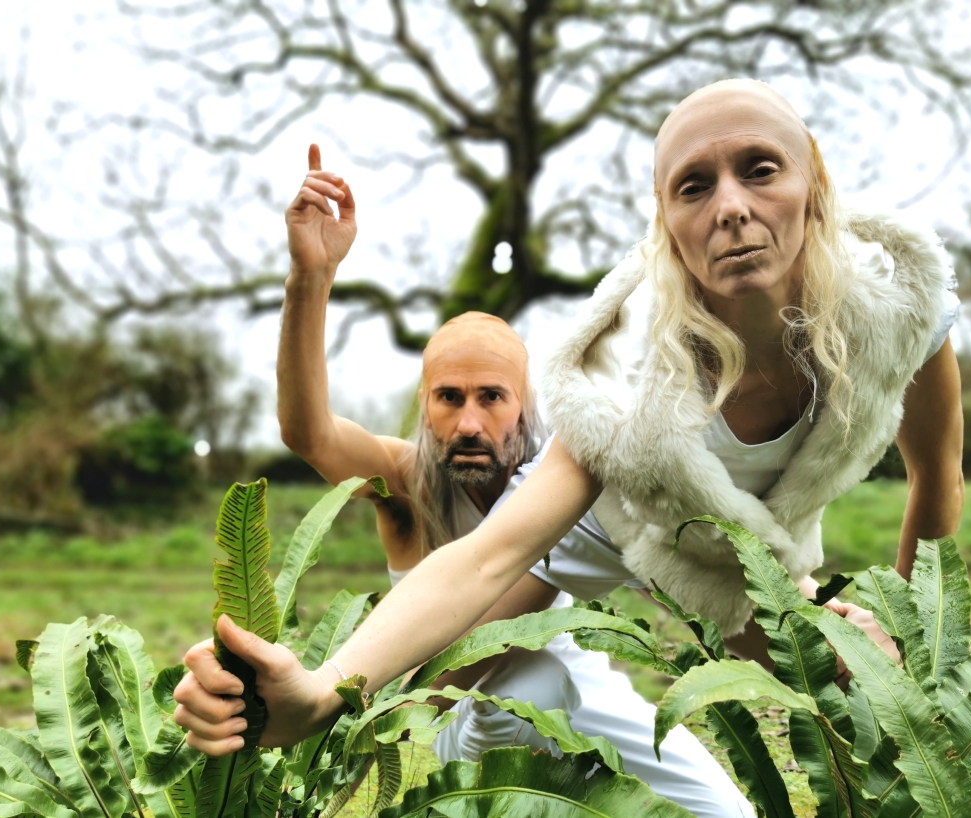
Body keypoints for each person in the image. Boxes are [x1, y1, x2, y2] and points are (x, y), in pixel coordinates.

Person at [174, 78, 963, 781]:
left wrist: (904, 648)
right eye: (693, 187)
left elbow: (937, 477)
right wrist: (319, 692)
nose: (731, 207)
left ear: (813, 184)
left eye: (760, 168)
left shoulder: (898, 305)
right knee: (449, 690)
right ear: (668, 228)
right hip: (600, 527)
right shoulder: (618, 389)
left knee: (849, 688)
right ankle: (449, 751)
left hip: (736, 550)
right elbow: (486, 556)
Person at [260, 141, 751, 816]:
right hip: (469, 716)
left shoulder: (563, 483)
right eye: (449, 398)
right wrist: (309, 278)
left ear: (523, 406)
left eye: (491, 397)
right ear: (425, 406)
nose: (468, 422)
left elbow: (677, 560)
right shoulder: (404, 484)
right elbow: (307, 433)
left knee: (724, 812)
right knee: (525, 688)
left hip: (583, 687)